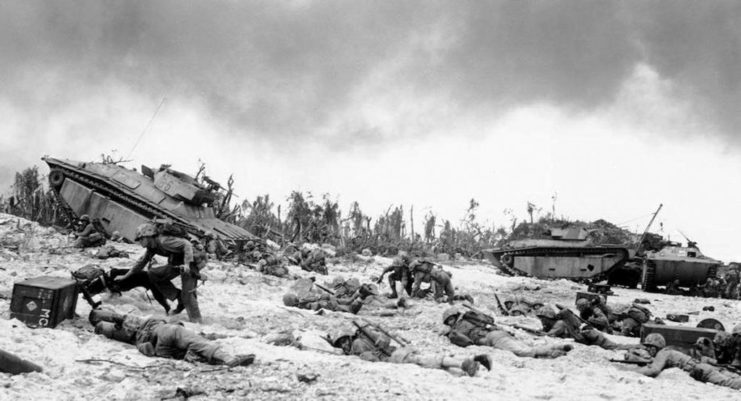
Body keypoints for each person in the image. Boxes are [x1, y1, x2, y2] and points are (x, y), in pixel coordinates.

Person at [90, 310, 254, 367]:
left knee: (189, 351)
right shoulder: (171, 327)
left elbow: (112, 321)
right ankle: (227, 358)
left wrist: (99, 319)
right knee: (199, 344)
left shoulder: (130, 332)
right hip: (165, 333)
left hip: (157, 347)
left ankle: (211, 359)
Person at [114, 223, 204, 323]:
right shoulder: (152, 247)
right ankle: (179, 297)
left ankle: (197, 321)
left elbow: (186, 244)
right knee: (153, 274)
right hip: (177, 261)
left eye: (141, 239)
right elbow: (141, 263)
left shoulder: (164, 241)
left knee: (188, 294)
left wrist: (187, 264)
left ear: (148, 236)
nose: (140, 242)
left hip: (192, 261)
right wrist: (124, 276)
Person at [329, 325, 489, 377]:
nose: (343, 345)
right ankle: (462, 367)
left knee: (425, 360)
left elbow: (371, 360)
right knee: (428, 362)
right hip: (396, 353)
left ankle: (463, 363)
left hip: (395, 358)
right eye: (340, 344)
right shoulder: (360, 340)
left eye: (343, 341)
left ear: (349, 338)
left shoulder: (357, 344)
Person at [443, 307, 571, 358]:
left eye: (450, 320)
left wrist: (447, 333)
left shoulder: (458, 327)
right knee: (526, 347)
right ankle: (556, 347)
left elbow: (465, 342)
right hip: (499, 332)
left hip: (493, 337)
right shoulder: (470, 317)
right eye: (448, 321)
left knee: (521, 352)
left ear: (454, 317)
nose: (450, 323)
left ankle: (552, 352)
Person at [629, 333, 741, 390]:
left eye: (650, 347)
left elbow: (654, 370)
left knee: (730, 384)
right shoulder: (667, 351)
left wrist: (632, 372)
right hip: (703, 367)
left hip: (701, 370)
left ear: (657, 346)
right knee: (733, 377)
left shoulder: (663, 353)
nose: (648, 350)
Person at [536, 305, 638, 350]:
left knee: (617, 347)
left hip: (595, 338)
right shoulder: (557, 323)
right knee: (617, 346)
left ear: (548, 317)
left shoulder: (559, 324)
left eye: (542, 318)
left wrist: (541, 333)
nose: (542, 321)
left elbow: (551, 334)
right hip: (592, 336)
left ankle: (639, 346)